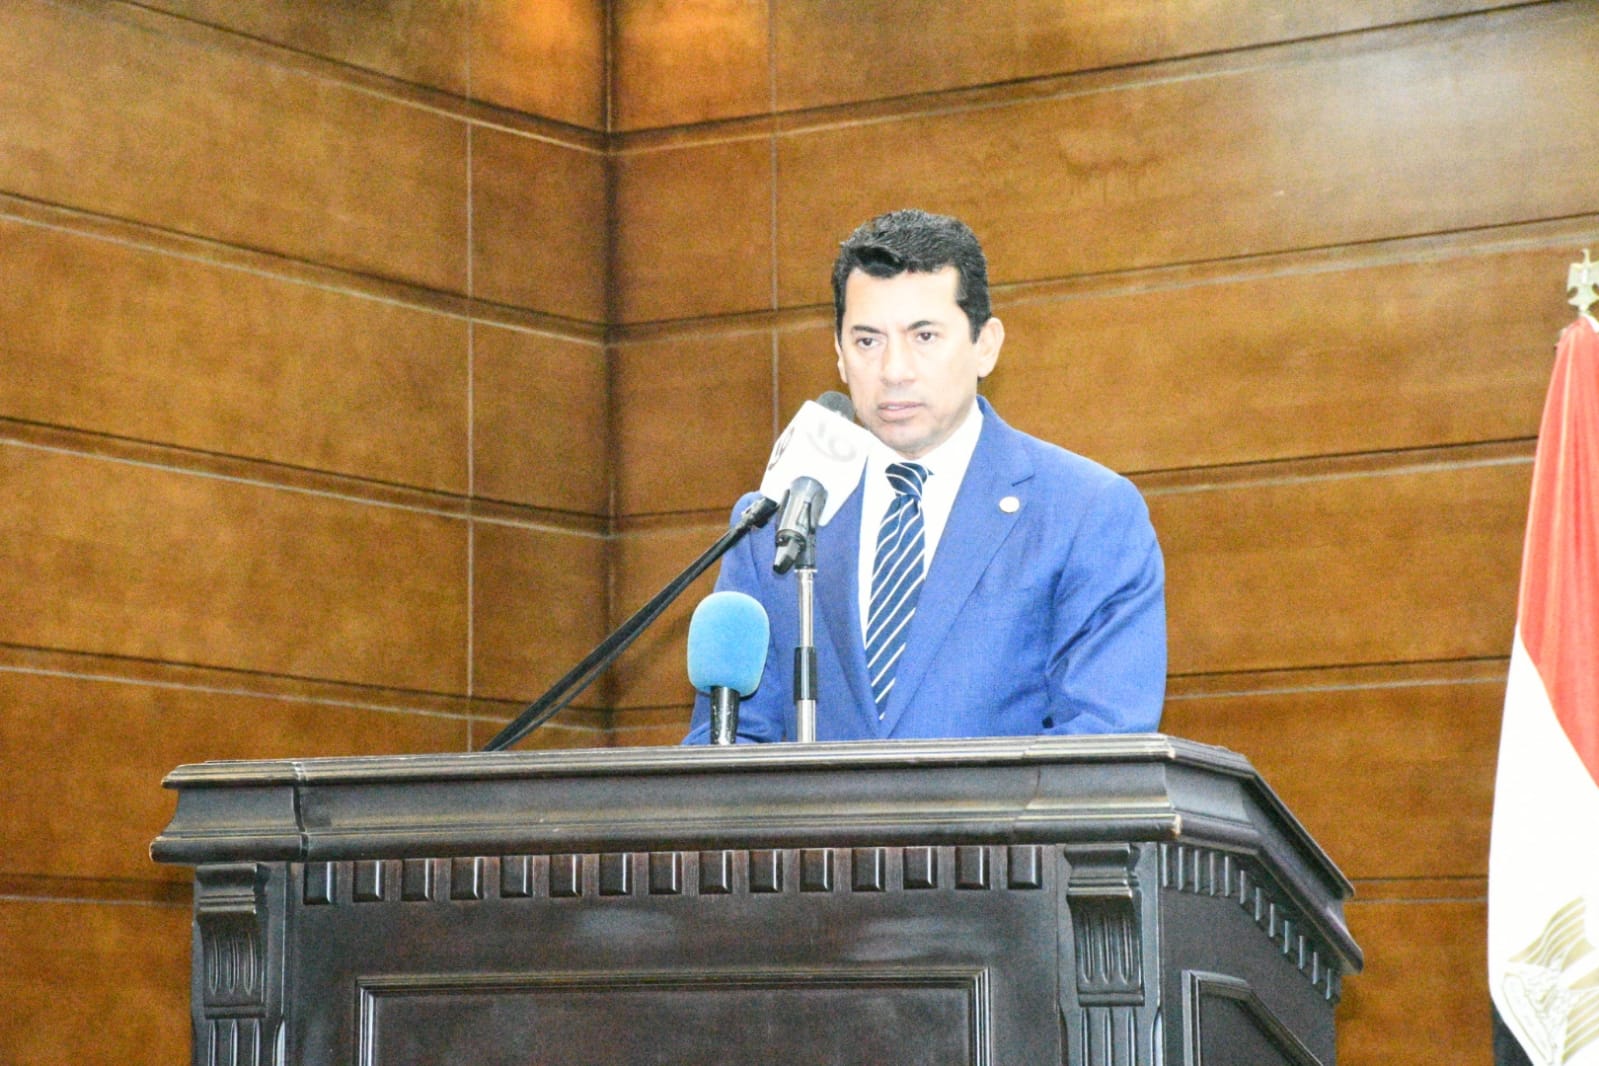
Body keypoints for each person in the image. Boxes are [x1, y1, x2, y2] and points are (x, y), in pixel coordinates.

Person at [684, 209, 1165, 742]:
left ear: (986, 345)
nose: (894, 371)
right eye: (868, 341)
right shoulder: (778, 522)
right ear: (839, 356)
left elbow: (1103, 744)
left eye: (925, 336)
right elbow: (731, 744)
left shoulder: (1086, 513)